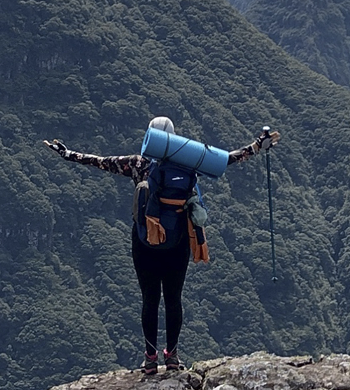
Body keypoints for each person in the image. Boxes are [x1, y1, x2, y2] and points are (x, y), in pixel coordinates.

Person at [43, 116, 280, 374]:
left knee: (150, 299)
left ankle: (150, 358)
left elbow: (101, 161)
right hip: (177, 241)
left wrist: (67, 154)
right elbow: (226, 159)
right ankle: (173, 357)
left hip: (144, 241)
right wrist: (258, 145)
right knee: (173, 299)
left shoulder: (137, 164)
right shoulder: (188, 160)